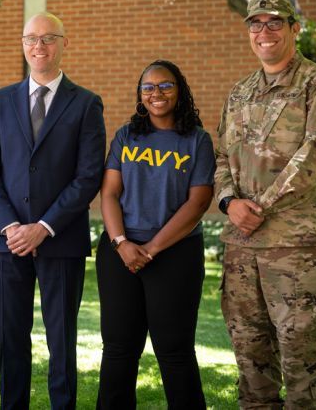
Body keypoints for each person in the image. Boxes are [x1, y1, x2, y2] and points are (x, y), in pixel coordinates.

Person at [215, 0, 316, 409]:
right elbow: (221, 157)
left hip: (297, 249)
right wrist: (228, 203)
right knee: (250, 360)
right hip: (241, 248)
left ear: (296, 28)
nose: (264, 32)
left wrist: (259, 207)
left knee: (300, 360)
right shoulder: (240, 94)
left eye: (275, 23)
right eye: (255, 24)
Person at [0, 12, 106, 410]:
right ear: (23, 45)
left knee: (61, 339)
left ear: (64, 43)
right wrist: (12, 225)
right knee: (11, 337)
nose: (39, 46)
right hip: (8, 241)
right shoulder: (0, 101)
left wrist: (44, 226)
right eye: (31, 38)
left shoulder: (85, 103)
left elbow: (88, 177)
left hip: (61, 239)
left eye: (48, 38)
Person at [97, 60, 213, 409]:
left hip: (175, 254)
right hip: (120, 251)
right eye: (148, 87)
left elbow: (198, 202)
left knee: (174, 349)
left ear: (180, 90)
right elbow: (109, 194)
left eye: (165, 86)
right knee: (118, 348)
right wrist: (121, 243)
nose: (156, 93)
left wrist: (150, 248)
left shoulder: (197, 140)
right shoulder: (126, 135)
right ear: (140, 94)